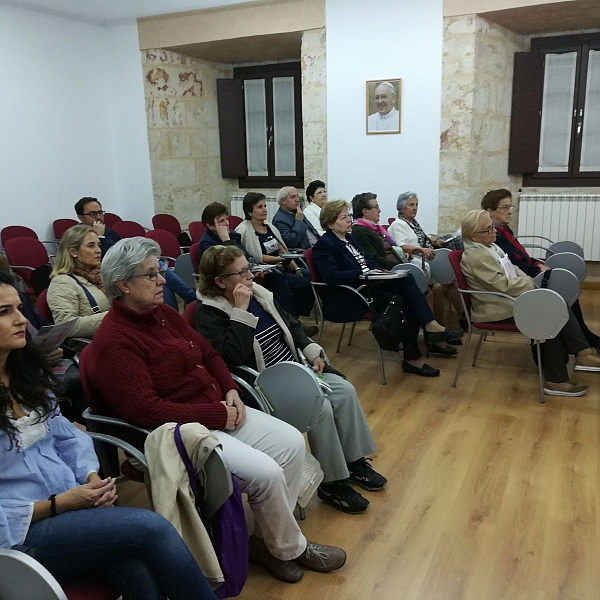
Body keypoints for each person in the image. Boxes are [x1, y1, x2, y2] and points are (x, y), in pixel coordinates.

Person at [84, 236, 346, 584]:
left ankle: (265, 538)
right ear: (124, 285)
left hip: (217, 408)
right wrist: (217, 415)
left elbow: (208, 354)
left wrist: (230, 389)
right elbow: (146, 410)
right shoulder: (115, 343)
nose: (164, 279)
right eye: (152, 274)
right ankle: (287, 547)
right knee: (266, 473)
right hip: (183, 432)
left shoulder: (162, 314)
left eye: (160, 269)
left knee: (292, 444)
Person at [0, 271, 218, 600]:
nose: (21, 319)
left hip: (68, 508)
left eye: (19, 308)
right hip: (17, 535)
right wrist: (60, 503)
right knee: (152, 528)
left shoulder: (22, 374)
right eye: (5, 312)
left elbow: (67, 439)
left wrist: (90, 479)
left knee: (138, 571)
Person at [195, 245, 386, 515]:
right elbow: (232, 357)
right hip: (263, 385)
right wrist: (240, 311)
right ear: (220, 281)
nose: (251, 275)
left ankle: (353, 463)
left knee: (344, 390)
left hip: (294, 370)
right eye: (242, 272)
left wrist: (311, 350)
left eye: (249, 267)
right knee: (320, 408)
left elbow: (291, 324)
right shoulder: (208, 313)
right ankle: (332, 483)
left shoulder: (260, 294)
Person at [312, 201, 463, 377]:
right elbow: (331, 276)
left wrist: (379, 271)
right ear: (330, 223)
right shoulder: (324, 245)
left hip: (369, 285)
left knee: (406, 279)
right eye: (343, 218)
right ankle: (419, 347)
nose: (349, 221)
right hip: (351, 294)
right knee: (406, 302)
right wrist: (364, 273)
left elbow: (369, 259)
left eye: (349, 216)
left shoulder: (349, 237)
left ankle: (426, 334)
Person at [460, 210, 600, 397]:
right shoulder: (477, 256)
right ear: (473, 236)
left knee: (553, 302)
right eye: (488, 229)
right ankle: (561, 375)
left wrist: (530, 282)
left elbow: (514, 269)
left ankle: (578, 358)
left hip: (509, 299)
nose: (494, 231)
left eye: (492, 225)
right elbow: (501, 285)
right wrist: (532, 284)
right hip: (495, 308)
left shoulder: (491, 248)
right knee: (549, 310)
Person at [482, 188, 600, 351]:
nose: (510, 212)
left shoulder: (505, 230)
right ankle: (580, 341)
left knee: (565, 285)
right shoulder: (494, 236)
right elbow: (513, 263)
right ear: (490, 211)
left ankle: (580, 336)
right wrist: (538, 268)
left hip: (526, 274)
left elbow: (521, 255)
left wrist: (538, 262)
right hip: (519, 282)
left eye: (510, 207)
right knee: (562, 287)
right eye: (505, 208)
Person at [75, 196, 193, 308]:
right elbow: (104, 260)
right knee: (159, 273)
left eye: (100, 213)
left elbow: (124, 252)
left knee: (161, 282)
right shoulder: (77, 236)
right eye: (92, 214)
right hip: (110, 275)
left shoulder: (109, 232)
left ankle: (171, 318)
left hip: (127, 268)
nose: (98, 217)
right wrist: (99, 237)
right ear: (81, 217)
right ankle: (193, 299)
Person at [388, 192, 463, 330]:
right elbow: (401, 246)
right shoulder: (398, 224)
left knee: (452, 279)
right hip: (414, 263)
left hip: (425, 260)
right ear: (401, 207)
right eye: (411, 205)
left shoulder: (413, 223)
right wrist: (420, 249)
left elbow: (423, 237)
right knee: (440, 286)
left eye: (416, 205)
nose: (415, 208)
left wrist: (435, 240)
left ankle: (457, 319)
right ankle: (446, 325)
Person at [236, 192, 314, 317]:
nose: (264, 210)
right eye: (259, 207)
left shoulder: (270, 227)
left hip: (281, 265)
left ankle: (297, 316)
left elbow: (283, 250)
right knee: (299, 283)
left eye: (265, 206)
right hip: (264, 272)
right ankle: (292, 319)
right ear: (250, 211)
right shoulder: (244, 230)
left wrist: (296, 268)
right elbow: (257, 257)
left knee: (308, 276)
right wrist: (279, 260)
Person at [47, 224, 110, 338]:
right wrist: (114, 317)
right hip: (91, 347)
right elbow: (66, 326)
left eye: (98, 245)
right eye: (91, 246)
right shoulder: (62, 282)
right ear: (73, 252)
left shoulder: (102, 275)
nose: (98, 250)